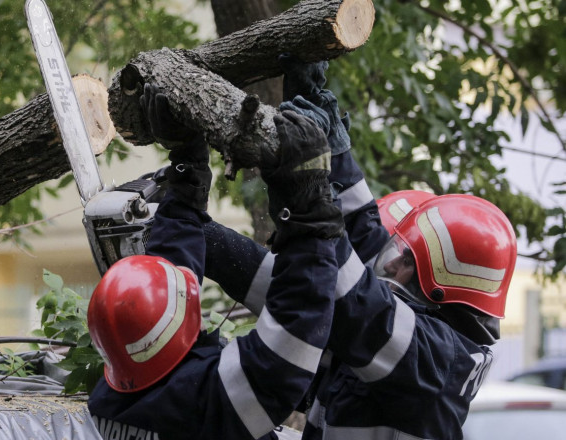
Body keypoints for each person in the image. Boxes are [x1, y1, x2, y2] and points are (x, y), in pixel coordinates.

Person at [200, 59, 518, 439]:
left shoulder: (434, 359)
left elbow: (354, 302)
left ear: (438, 292)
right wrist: (335, 149)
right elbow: (344, 260)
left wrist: (308, 198)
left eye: (406, 260)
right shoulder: (425, 324)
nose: (391, 260)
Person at [86, 83, 344, 440]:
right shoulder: (206, 403)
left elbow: (165, 279)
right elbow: (293, 335)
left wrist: (186, 171)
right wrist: (309, 211)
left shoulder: (113, 395)